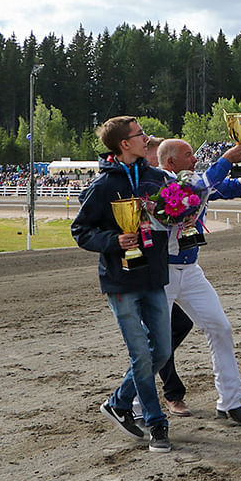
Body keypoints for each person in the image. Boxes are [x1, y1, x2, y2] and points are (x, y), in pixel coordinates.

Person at [71, 116, 173, 452]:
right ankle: (157, 424)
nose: (147, 138)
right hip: (120, 281)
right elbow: (81, 231)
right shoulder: (102, 187)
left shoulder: (157, 178)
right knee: (142, 356)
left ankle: (119, 401)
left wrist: (181, 214)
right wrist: (115, 241)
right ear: (124, 144)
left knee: (162, 351)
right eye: (140, 134)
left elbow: (173, 214)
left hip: (154, 276)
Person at [155, 138, 241, 428]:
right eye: (188, 154)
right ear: (170, 163)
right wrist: (227, 158)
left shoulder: (194, 179)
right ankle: (138, 405)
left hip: (190, 272)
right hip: (161, 273)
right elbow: (200, 186)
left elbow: (224, 189)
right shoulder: (163, 182)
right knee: (153, 343)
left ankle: (230, 403)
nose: (194, 157)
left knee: (220, 328)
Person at [144, 135, 194, 417]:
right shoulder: (145, 183)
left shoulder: (165, 184)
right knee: (159, 337)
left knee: (176, 328)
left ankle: (155, 373)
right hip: (146, 272)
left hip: (165, 269)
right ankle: (168, 394)